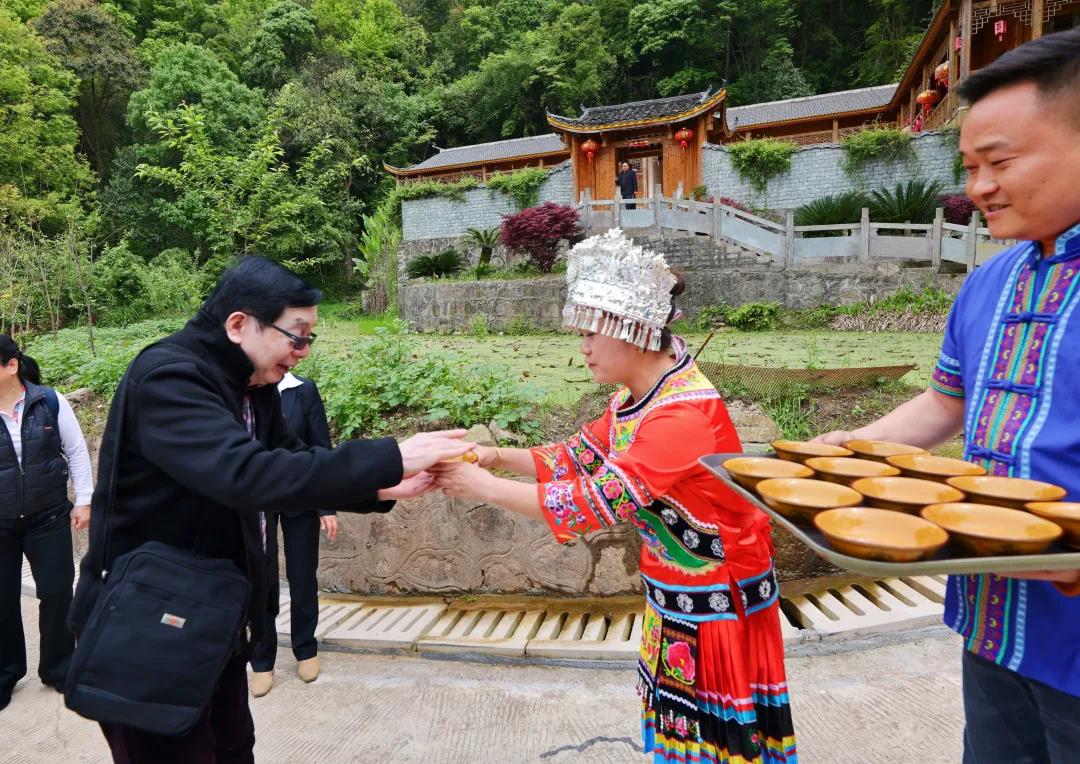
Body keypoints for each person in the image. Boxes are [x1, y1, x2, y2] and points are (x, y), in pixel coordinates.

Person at [69, 256, 473, 762]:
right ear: (239, 324)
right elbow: (247, 475)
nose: (302, 352)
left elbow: (293, 461)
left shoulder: (250, 386)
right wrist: (393, 454)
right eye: (296, 335)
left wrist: (387, 485)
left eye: (309, 338)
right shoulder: (169, 378)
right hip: (148, 625)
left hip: (211, 617)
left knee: (234, 748)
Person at [813, 29, 1080, 764]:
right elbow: (944, 406)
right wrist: (844, 451)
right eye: (971, 166)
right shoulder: (988, 283)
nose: (980, 187)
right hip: (993, 622)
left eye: (1000, 162)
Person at [432, 229, 798, 764]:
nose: (582, 348)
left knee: (712, 742)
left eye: (590, 333)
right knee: (683, 729)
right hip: (678, 590)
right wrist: (496, 457)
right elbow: (576, 455)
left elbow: (595, 501)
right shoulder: (643, 395)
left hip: (717, 599)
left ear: (628, 329)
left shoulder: (680, 415)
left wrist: (485, 489)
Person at [0, 336, 93, 712]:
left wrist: (84, 499)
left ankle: (58, 668)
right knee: (2, 600)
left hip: (49, 516)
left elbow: (76, 449)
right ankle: (6, 673)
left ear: (11, 366)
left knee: (56, 594)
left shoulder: (49, 401)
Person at [249, 372, 337, 697]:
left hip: (301, 498)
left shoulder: (303, 390)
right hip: (258, 501)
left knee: (302, 575)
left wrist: (326, 506)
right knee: (261, 578)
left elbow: (320, 447)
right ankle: (261, 660)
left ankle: (305, 648)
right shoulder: (248, 390)